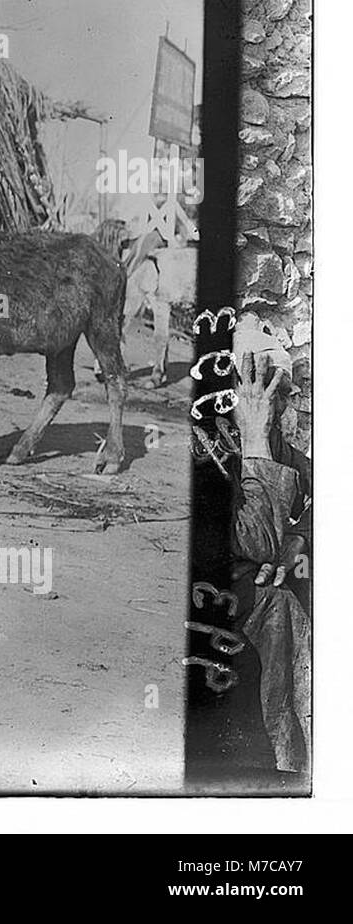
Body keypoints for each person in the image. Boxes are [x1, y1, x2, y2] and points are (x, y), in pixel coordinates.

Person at [229, 317, 312, 776]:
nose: (274, 406)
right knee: (279, 608)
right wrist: (253, 441)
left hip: (266, 609)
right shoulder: (214, 449)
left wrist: (298, 538)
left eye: (278, 394)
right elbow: (257, 542)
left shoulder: (279, 444)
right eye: (261, 390)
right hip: (220, 612)